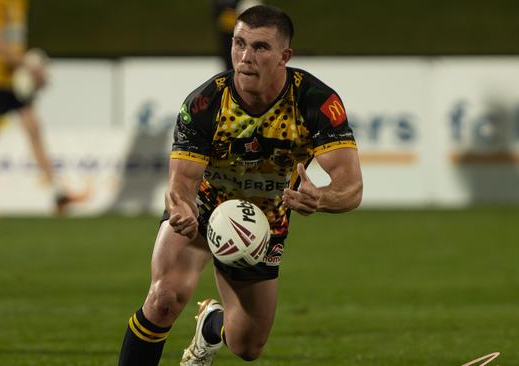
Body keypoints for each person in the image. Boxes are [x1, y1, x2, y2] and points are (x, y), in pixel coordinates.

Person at [118, 5, 363, 365]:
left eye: (260, 47)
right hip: (203, 208)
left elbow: (351, 185)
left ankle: (211, 326)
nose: (245, 57)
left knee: (247, 346)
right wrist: (181, 207)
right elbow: (181, 182)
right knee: (164, 297)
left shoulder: (316, 102)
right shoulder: (205, 103)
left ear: (285, 56)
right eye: (239, 44)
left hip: (262, 226)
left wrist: (322, 198)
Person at [0, 0, 76, 219]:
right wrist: (30, 66)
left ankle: (58, 194)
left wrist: (27, 68)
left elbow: (13, 40)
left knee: (33, 129)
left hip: (14, 77)